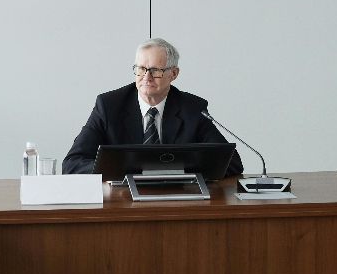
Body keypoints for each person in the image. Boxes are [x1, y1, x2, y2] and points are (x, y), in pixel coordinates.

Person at [62, 37, 243, 177]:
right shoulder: (109, 106)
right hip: (122, 201)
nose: (146, 77)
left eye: (156, 71)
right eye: (141, 69)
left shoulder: (193, 109)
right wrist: (118, 171)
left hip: (177, 199)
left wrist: (176, 173)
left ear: (173, 74)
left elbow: (232, 162)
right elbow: (72, 163)